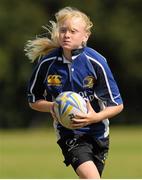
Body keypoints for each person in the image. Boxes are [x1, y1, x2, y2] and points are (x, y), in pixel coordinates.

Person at [25, 6, 124, 179]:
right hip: (69, 134)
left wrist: (95, 117)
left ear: (85, 36)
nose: (67, 35)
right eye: (63, 30)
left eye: (73, 31)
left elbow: (117, 105)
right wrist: (55, 106)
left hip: (98, 133)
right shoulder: (47, 63)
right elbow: (34, 100)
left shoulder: (96, 62)